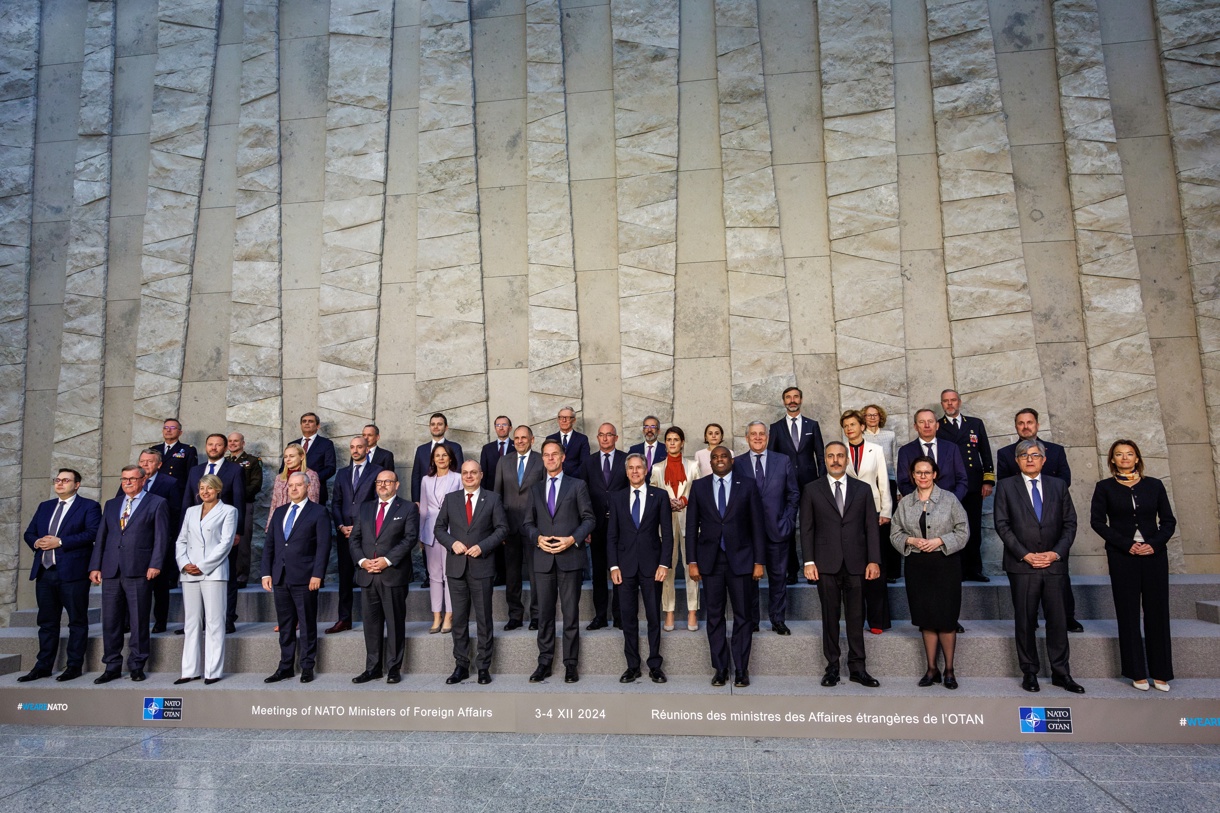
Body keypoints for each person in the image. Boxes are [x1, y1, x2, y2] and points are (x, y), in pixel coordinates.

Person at [994, 438, 1083, 694]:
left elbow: (1070, 524)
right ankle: (1029, 672)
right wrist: (1026, 555)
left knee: (1057, 621)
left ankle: (1061, 673)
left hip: (1054, 566)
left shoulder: (1058, 486)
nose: (1029, 459)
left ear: (1044, 460)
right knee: (1025, 620)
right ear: (1017, 461)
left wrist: (1055, 554)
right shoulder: (1007, 486)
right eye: (1024, 455)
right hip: (1022, 566)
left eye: (1034, 455)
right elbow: (1002, 524)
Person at [1091, 439, 1177, 692]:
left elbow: (1169, 521)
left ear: (1137, 458)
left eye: (1129, 454)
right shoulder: (1104, 487)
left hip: (1154, 556)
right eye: (1119, 454)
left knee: (1157, 612)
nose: (1125, 458)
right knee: (1128, 613)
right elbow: (1097, 522)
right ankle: (1136, 672)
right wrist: (1126, 544)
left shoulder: (1154, 485)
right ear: (1113, 460)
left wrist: (1155, 544)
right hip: (1123, 557)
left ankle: (1161, 672)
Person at [801, 442, 882, 688]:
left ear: (847, 459)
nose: (835, 460)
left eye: (839, 456)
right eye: (830, 456)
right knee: (830, 617)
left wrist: (874, 560)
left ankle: (858, 668)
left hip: (857, 563)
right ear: (824, 459)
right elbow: (806, 528)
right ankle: (833, 667)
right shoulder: (812, 489)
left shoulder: (863, 489)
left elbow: (871, 528)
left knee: (857, 617)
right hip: (825, 564)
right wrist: (808, 561)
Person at [996, 407, 1082, 632]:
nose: (1025, 426)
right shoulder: (1005, 453)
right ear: (1016, 426)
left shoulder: (1055, 450)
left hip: (1052, 522)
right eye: (1021, 423)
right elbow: (1006, 488)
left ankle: (1068, 618)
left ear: (1037, 424)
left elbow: (1065, 480)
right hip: (1022, 525)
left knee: (1061, 580)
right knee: (1025, 591)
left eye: (1029, 422)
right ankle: (1030, 620)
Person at [686, 446, 765, 687]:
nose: (719, 460)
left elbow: (757, 526)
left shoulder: (748, 484)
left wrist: (759, 561)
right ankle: (720, 668)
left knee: (743, 615)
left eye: (723, 457)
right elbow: (691, 528)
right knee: (715, 617)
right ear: (710, 462)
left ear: (731, 460)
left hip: (741, 560)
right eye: (715, 457)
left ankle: (741, 668)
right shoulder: (699, 487)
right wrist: (692, 561)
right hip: (710, 562)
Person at [890, 456, 969, 690]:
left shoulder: (950, 499)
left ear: (935, 474)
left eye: (927, 472)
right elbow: (895, 534)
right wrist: (911, 539)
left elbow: (963, 531)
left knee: (945, 619)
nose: (923, 476)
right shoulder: (905, 503)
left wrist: (939, 541)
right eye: (918, 472)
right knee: (926, 619)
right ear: (912, 475)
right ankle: (931, 668)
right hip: (917, 567)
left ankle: (949, 670)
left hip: (945, 565)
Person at [523, 439, 596, 683]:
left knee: (570, 614)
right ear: (542, 458)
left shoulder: (578, 485)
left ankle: (570, 664)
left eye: (555, 454)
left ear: (563, 457)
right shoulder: (535, 489)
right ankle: (544, 662)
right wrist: (537, 539)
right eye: (546, 455)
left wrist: (572, 539)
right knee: (544, 615)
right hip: (542, 560)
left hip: (570, 559)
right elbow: (527, 523)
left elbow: (589, 519)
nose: (550, 458)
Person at [18, 468, 101, 683]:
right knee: (47, 622)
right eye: (57, 479)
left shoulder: (88, 506)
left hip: (73, 574)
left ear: (77, 484)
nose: (60, 483)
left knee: (77, 621)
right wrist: (37, 542)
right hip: (45, 573)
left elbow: (93, 533)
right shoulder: (45, 507)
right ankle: (43, 665)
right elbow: (29, 533)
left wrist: (60, 542)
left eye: (66, 480)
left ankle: (73, 666)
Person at [89, 465, 169, 683]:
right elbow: (102, 537)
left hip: (140, 569)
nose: (128, 482)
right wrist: (95, 566)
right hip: (111, 570)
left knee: (138, 620)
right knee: (111, 621)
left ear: (143, 480)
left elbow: (161, 538)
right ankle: (112, 666)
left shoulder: (157, 502)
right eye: (124, 479)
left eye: (133, 479)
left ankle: (137, 665)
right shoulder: (112, 504)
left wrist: (155, 564)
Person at [434, 461, 508, 685]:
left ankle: (484, 667)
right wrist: (451, 543)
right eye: (465, 473)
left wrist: (483, 546)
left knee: (484, 619)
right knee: (459, 620)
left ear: (481, 475)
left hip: (482, 566)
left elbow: (503, 529)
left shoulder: (492, 499)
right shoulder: (451, 498)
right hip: (456, 568)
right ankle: (461, 665)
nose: (468, 476)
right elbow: (438, 528)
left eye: (473, 472)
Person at [608, 453, 674, 683]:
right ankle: (633, 666)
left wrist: (664, 563)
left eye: (639, 468)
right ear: (626, 472)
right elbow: (612, 536)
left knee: (654, 617)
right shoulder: (616, 498)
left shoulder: (660, 496)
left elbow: (667, 533)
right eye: (631, 468)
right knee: (628, 618)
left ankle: (655, 665)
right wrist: (614, 566)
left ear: (646, 471)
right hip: (624, 568)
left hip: (652, 566)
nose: (635, 471)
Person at [349, 470, 417, 685]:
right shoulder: (365, 507)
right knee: (371, 624)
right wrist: (362, 561)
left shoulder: (407, 508)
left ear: (397, 485)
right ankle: (373, 668)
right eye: (379, 481)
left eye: (388, 481)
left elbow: (410, 539)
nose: (383, 485)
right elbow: (354, 539)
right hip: (367, 574)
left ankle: (394, 668)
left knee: (395, 623)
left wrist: (387, 560)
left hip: (392, 574)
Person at [262, 472, 331, 683]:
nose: (293, 489)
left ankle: (307, 666)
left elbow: (323, 547)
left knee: (307, 623)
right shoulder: (280, 511)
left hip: (305, 578)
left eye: (298, 485)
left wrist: (317, 574)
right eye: (290, 485)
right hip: (280, 577)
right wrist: (266, 572)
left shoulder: (318, 512)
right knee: (285, 625)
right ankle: (285, 667)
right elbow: (270, 545)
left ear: (307, 487)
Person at [732, 421, 799, 635]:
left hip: (776, 530)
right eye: (754, 434)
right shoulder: (737, 463)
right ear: (747, 437)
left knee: (778, 577)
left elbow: (793, 494)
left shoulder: (783, 461)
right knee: (749, 578)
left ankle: (778, 619)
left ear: (767, 437)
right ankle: (752, 621)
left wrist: (787, 520)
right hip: (748, 534)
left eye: (762, 434)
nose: (758, 438)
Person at [174, 474, 236, 685]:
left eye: (209, 488)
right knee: (191, 623)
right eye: (201, 488)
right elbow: (181, 540)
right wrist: (184, 564)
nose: (205, 492)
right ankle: (189, 670)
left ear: (218, 489)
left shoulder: (228, 511)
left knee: (214, 622)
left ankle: (212, 671)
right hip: (188, 572)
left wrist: (202, 566)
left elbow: (225, 543)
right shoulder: (191, 511)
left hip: (213, 571)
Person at [181, 433, 246, 634]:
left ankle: (227, 620)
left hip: (223, 533)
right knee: (194, 577)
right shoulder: (195, 471)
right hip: (195, 534)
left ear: (225, 448)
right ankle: (195, 622)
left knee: (227, 576)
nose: (214, 447)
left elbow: (239, 500)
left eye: (218, 445)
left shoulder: (234, 469)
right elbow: (187, 501)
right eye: (210, 444)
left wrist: (238, 531)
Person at [841, 410, 892, 633]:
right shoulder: (840, 452)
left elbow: (883, 482)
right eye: (845, 426)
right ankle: (856, 618)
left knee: (876, 565)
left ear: (862, 426)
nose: (849, 428)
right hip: (849, 514)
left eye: (853, 424)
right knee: (854, 567)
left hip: (874, 512)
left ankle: (878, 620)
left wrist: (886, 511)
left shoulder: (876, 449)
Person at [937, 389, 995, 583]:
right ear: (942, 404)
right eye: (946, 401)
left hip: (973, 484)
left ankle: (975, 569)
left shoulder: (975, 424)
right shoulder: (937, 425)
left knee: (973, 527)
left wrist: (988, 480)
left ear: (959, 402)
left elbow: (985, 452)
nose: (950, 404)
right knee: (951, 527)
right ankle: (957, 570)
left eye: (953, 400)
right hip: (949, 485)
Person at [769, 386, 825, 583]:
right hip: (784, 485)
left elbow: (820, 455)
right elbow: (771, 458)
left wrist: (822, 482)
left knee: (813, 526)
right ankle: (791, 571)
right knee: (789, 527)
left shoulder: (812, 425)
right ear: (784, 401)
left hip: (811, 484)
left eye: (795, 397)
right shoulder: (776, 428)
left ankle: (814, 570)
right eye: (788, 397)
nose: (792, 400)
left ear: (801, 399)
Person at [328, 436, 382, 634]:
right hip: (345, 534)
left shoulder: (376, 471)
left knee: (369, 578)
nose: (355, 450)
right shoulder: (342, 473)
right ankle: (344, 619)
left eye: (359, 447)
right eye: (352, 447)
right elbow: (336, 503)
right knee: (345, 578)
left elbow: (377, 503)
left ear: (367, 449)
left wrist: (358, 527)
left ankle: (373, 619)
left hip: (366, 533)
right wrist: (341, 526)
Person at [650, 426, 702, 632]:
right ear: (665, 443)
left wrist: (685, 499)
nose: (672, 443)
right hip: (665, 522)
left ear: (682, 442)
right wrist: (665, 503)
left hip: (689, 520)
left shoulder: (693, 465)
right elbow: (652, 494)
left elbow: (699, 491)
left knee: (691, 566)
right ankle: (669, 612)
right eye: (669, 439)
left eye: (676, 439)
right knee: (667, 568)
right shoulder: (656, 468)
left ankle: (692, 611)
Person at [494, 424, 545, 630]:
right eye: (517, 438)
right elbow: (497, 496)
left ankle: (536, 615)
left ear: (532, 440)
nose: (520, 441)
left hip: (534, 527)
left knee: (535, 574)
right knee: (512, 575)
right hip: (510, 527)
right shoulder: (503, 461)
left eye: (524, 438)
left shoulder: (540, 461)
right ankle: (515, 615)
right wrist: (499, 527)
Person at [582, 422, 630, 630]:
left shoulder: (626, 459)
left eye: (608, 435)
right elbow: (582, 497)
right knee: (599, 573)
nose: (604, 438)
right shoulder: (588, 462)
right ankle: (600, 616)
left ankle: (619, 616)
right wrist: (585, 528)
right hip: (597, 527)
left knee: (620, 571)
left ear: (616, 438)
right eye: (601, 435)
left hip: (621, 526)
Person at [130, 449, 181, 635]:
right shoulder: (130, 482)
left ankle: (160, 621)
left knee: (160, 587)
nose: (144, 464)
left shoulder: (170, 483)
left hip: (160, 542)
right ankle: (130, 621)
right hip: (134, 544)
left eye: (149, 462)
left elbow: (175, 514)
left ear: (159, 465)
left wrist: (169, 539)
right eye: (142, 461)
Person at [420, 443, 462, 633]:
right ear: (433, 459)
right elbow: (423, 508)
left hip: (452, 532)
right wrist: (421, 534)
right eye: (437, 455)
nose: (441, 458)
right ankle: (436, 615)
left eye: (444, 455)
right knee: (434, 576)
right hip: (430, 531)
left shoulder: (459, 478)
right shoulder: (426, 480)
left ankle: (449, 615)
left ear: (450, 458)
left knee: (449, 575)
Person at [863, 403, 901, 582]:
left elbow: (896, 461)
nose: (872, 418)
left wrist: (899, 488)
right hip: (868, 485)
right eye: (868, 415)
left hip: (889, 483)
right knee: (871, 528)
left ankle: (891, 571)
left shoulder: (890, 435)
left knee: (889, 527)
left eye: (875, 415)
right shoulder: (860, 436)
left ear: (880, 417)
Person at [897, 408, 967, 500]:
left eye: (930, 421)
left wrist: (951, 501)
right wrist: (920, 501)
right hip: (919, 507)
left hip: (949, 505)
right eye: (922, 422)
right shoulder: (905, 451)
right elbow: (903, 483)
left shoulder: (952, 448)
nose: (927, 425)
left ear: (937, 425)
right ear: (915, 427)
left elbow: (962, 479)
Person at [225, 432, 262, 589]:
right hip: (224, 506)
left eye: (236, 441)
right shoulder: (224, 461)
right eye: (230, 441)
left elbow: (256, 484)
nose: (233, 444)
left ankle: (240, 577)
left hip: (244, 504)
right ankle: (225, 574)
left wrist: (237, 495)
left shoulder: (252, 461)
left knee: (243, 541)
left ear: (243, 443)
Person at [411, 412, 464, 503]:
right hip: (426, 499)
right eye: (433, 424)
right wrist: (416, 500)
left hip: (450, 498)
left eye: (439, 424)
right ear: (429, 427)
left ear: (446, 427)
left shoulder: (455, 447)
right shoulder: (421, 449)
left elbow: (458, 472)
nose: (436, 427)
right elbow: (416, 476)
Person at [266, 443, 320, 531]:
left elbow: (313, 501)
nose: (288, 459)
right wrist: (269, 527)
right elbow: (274, 504)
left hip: (301, 523)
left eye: (292, 456)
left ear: (302, 456)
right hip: (280, 522)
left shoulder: (310, 475)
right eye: (285, 457)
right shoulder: (279, 477)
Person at [288, 412, 337, 504]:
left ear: (317, 426)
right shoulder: (292, 445)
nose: (306, 423)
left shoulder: (326, 444)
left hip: (316, 491)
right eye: (304, 421)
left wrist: (311, 479)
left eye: (310, 421)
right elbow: (284, 467)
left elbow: (330, 468)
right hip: (292, 493)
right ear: (301, 425)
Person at [152, 417, 197, 499]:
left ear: (180, 432)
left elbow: (191, 476)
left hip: (176, 493)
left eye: (173, 428)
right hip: (155, 491)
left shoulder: (188, 450)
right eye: (166, 428)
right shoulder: (154, 449)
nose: (168, 430)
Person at [546, 406, 590, 479]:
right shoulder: (550, 439)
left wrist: (570, 480)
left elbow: (584, 464)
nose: (564, 420)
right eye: (561, 417)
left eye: (567, 417)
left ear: (574, 420)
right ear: (558, 420)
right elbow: (547, 461)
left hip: (575, 481)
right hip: (554, 480)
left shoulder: (582, 439)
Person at [479, 415, 513, 489]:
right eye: (498, 425)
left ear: (510, 428)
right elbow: (483, 473)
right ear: (495, 428)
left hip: (512, 491)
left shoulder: (517, 447)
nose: (501, 427)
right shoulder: (487, 448)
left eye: (504, 424)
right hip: (491, 490)